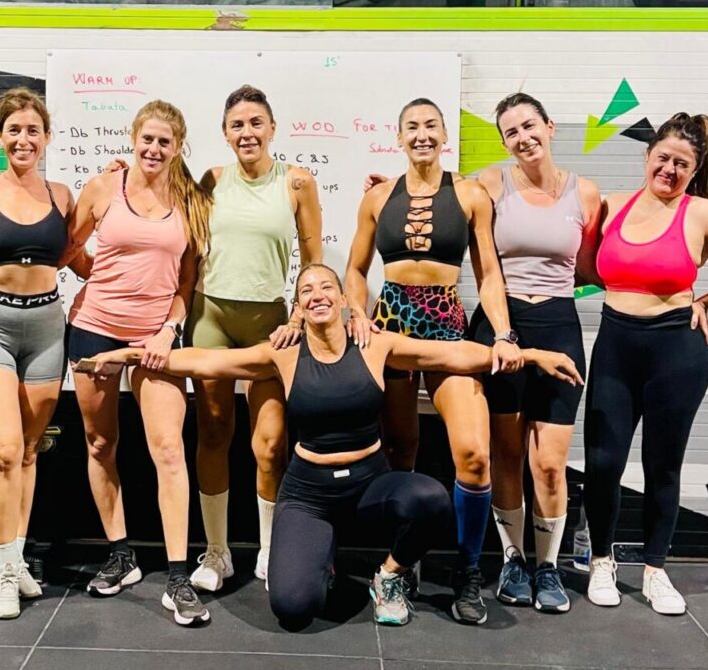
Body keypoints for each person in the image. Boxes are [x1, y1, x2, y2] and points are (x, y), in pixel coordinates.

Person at [82, 264, 583, 629]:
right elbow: (206, 362)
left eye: (326, 287)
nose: (317, 295)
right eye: (306, 290)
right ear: (298, 308)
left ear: (344, 299)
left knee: (431, 500)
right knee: (293, 609)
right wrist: (127, 355)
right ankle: (319, 556)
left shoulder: (376, 344)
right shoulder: (282, 355)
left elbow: (452, 353)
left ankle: (389, 576)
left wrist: (531, 354)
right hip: (309, 494)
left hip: (369, 486)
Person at [584, 113, 708, 615]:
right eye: (663, 158)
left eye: (682, 164)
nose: (669, 170)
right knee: (603, 462)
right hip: (615, 343)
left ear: (694, 171)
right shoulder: (611, 205)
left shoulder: (701, 214)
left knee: (663, 465)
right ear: (647, 156)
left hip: (676, 351)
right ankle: (602, 560)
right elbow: (582, 264)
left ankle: (655, 569)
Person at [346, 97, 521, 625]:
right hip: (390, 325)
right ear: (398, 137)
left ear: (445, 135)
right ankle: (402, 564)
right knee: (401, 450)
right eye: (412, 127)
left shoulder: (470, 194)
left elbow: (488, 274)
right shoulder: (378, 197)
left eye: (431, 126)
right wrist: (357, 315)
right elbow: (354, 270)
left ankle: (468, 570)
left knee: (474, 455)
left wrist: (504, 333)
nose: (422, 134)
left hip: (447, 325)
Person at [66, 99, 212, 626]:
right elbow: (68, 248)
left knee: (169, 449)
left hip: (156, 338)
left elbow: (187, 282)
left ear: (178, 147)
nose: (153, 149)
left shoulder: (191, 201)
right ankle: (121, 555)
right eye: (147, 139)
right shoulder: (104, 187)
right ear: (133, 139)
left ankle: (177, 577)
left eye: (164, 142)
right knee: (100, 443)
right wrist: (101, 276)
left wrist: (169, 329)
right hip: (93, 327)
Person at [188, 85, 322, 594]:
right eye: (237, 125)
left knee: (269, 444)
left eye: (255, 122)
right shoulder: (210, 180)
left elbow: (313, 259)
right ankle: (217, 552)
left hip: (271, 324)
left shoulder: (297, 182)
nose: (247, 132)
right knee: (214, 432)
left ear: (272, 128)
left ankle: (270, 550)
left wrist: (299, 318)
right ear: (225, 134)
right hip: (211, 318)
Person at [471, 92, 601, 614]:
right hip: (501, 325)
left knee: (549, 463)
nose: (523, 138)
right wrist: (384, 188)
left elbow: (591, 269)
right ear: (504, 142)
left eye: (529, 126)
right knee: (505, 452)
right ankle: (513, 560)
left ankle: (547, 565)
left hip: (559, 325)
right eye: (511, 132)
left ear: (550, 126)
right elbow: (434, 192)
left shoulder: (585, 193)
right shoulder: (490, 183)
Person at [0, 88, 76, 619]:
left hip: (47, 329)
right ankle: (2, 570)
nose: (23, 139)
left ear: (46, 138)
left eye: (33, 130)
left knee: (28, 451)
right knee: (4, 449)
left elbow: (78, 256)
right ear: (0, 136)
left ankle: (18, 557)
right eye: (14, 130)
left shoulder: (63, 195)